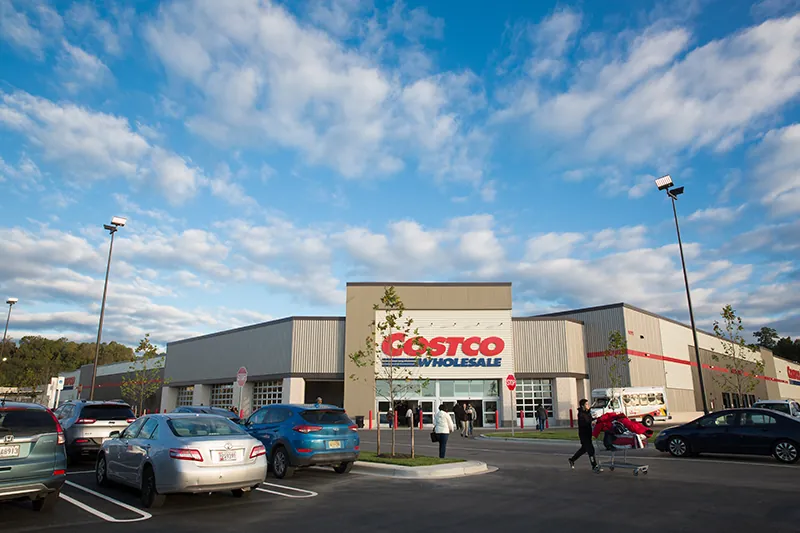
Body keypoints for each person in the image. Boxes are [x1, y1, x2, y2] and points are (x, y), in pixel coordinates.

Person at [569, 399, 602, 472]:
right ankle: (594, 466)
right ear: (582, 406)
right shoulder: (581, 414)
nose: (588, 405)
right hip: (584, 435)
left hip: (588, 434)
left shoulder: (588, 413)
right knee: (591, 450)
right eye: (586, 404)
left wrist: (596, 419)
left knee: (583, 449)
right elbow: (583, 424)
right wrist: (591, 422)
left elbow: (590, 419)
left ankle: (572, 460)